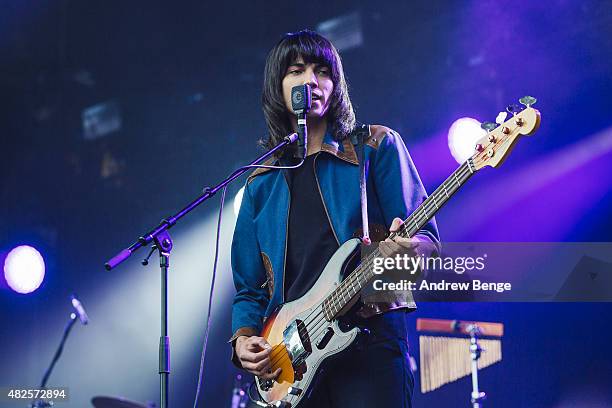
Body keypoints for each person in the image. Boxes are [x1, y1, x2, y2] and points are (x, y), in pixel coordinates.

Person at [229, 29, 439, 407]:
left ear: (336, 84)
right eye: (296, 71)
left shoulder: (377, 146)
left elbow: (427, 243)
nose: (311, 81)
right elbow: (249, 288)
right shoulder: (260, 182)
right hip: (294, 362)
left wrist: (407, 253)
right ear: (277, 87)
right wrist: (245, 339)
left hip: (370, 343)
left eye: (322, 71)